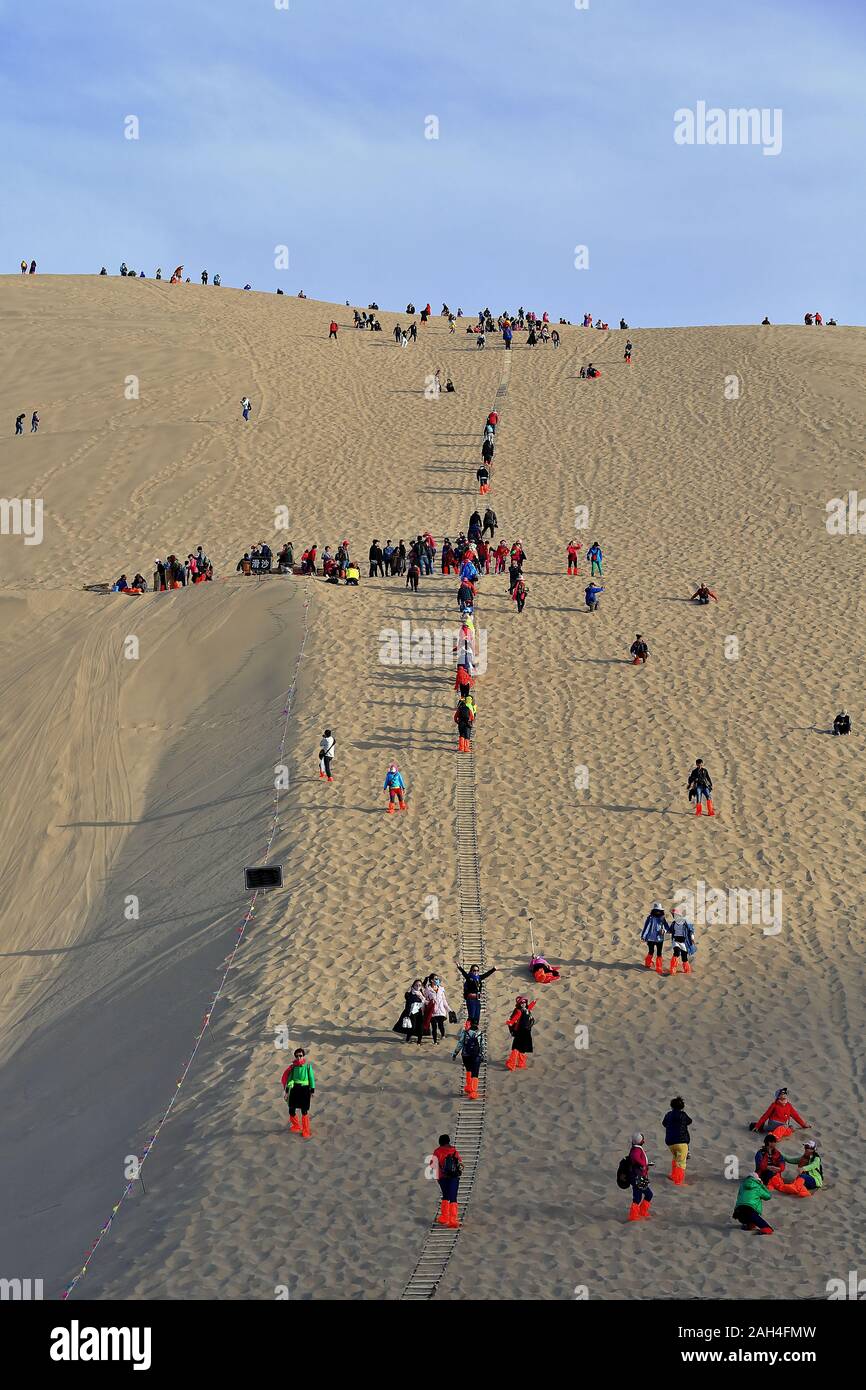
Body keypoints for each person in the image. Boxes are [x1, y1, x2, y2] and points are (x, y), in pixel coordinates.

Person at [281, 1047, 315, 1138]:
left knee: (304, 1111)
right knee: (291, 1109)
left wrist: (312, 1090)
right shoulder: (293, 1067)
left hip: (304, 1090)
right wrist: (287, 1091)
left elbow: (311, 1078)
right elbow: (289, 1079)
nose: (298, 1057)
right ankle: (296, 1125)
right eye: (297, 1056)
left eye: (300, 1055)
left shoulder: (308, 1066)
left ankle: (306, 1130)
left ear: (303, 1056)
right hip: (295, 1089)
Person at [432, 1134, 462, 1228]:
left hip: (442, 1177)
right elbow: (460, 1162)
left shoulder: (437, 1151)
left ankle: (444, 1217)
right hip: (454, 1176)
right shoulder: (453, 1150)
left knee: (445, 1196)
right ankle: (453, 1221)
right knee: (453, 1197)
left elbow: (433, 1165)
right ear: (448, 1141)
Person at [662, 1097, 692, 1184]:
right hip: (682, 1142)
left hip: (671, 1143)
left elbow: (664, 1123)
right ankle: (678, 1180)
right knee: (681, 1162)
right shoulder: (683, 1115)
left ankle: (674, 1175)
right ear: (682, 1107)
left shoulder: (668, 1115)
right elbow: (689, 1121)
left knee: (675, 1158)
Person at [627, 1132, 654, 1221]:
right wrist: (643, 1164)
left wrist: (645, 1164)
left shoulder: (635, 1148)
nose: (644, 1141)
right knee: (647, 1195)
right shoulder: (636, 1150)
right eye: (643, 1139)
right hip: (638, 1177)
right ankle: (638, 1214)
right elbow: (635, 1157)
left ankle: (636, 1214)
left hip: (637, 1176)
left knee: (638, 1197)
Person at [453, 1021, 484, 1098]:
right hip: (476, 1055)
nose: (466, 1025)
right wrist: (482, 1054)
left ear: (470, 1025)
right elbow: (482, 1045)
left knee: (468, 1070)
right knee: (475, 1073)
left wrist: (455, 1053)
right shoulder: (480, 1033)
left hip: (466, 1055)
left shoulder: (465, 1033)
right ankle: (473, 1091)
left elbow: (460, 1043)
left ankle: (469, 1086)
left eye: (467, 1024)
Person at [505, 995, 535, 1070]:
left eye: (524, 1002)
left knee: (518, 1048)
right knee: (521, 1048)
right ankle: (518, 1064)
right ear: (519, 1004)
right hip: (524, 1031)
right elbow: (516, 1018)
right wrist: (510, 1022)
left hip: (523, 1031)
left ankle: (513, 1064)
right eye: (521, 1002)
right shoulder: (522, 1010)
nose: (523, 1004)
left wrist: (534, 1002)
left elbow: (530, 1007)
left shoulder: (525, 1009)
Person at [423, 974, 452, 1044]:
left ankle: (442, 1035)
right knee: (434, 1027)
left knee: (441, 1025)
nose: (438, 980)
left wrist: (449, 1010)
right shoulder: (427, 990)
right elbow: (425, 1001)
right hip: (432, 1012)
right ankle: (435, 1041)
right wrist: (424, 1011)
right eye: (436, 979)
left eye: (438, 979)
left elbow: (444, 1001)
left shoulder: (441, 989)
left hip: (441, 1011)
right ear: (431, 980)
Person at [394, 980, 426, 1044]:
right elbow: (409, 998)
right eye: (416, 985)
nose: (418, 986)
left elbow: (425, 1001)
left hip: (420, 1012)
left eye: (419, 985)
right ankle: (408, 1039)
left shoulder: (421, 994)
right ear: (413, 986)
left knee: (421, 1027)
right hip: (412, 1012)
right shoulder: (409, 994)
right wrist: (410, 991)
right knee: (412, 1027)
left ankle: (419, 1041)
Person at [667, 906, 696, 975]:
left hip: (684, 942)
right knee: (676, 952)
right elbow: (670, 931)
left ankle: (687, 969)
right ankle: (673, 969)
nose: (674, 916)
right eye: (674, 915)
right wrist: (664, 931)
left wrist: (692, 938)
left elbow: (691, 930)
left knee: (684, 957)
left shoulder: (686, 923)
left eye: (676, 915)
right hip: (676, 940)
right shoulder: (674, 923)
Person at [641, 901, 668, 974]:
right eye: (656, 910)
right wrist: (643, 936)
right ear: (654, 911)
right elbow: (646, 927)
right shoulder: (650, 918)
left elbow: (667, 927)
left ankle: (659, 967)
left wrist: (664, 931)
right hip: (651, 938)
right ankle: (648, 963)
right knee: (651, 951)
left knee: (659, 953)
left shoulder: (663, 918)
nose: (658, 912)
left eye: (659, 911)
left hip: (660, 939)